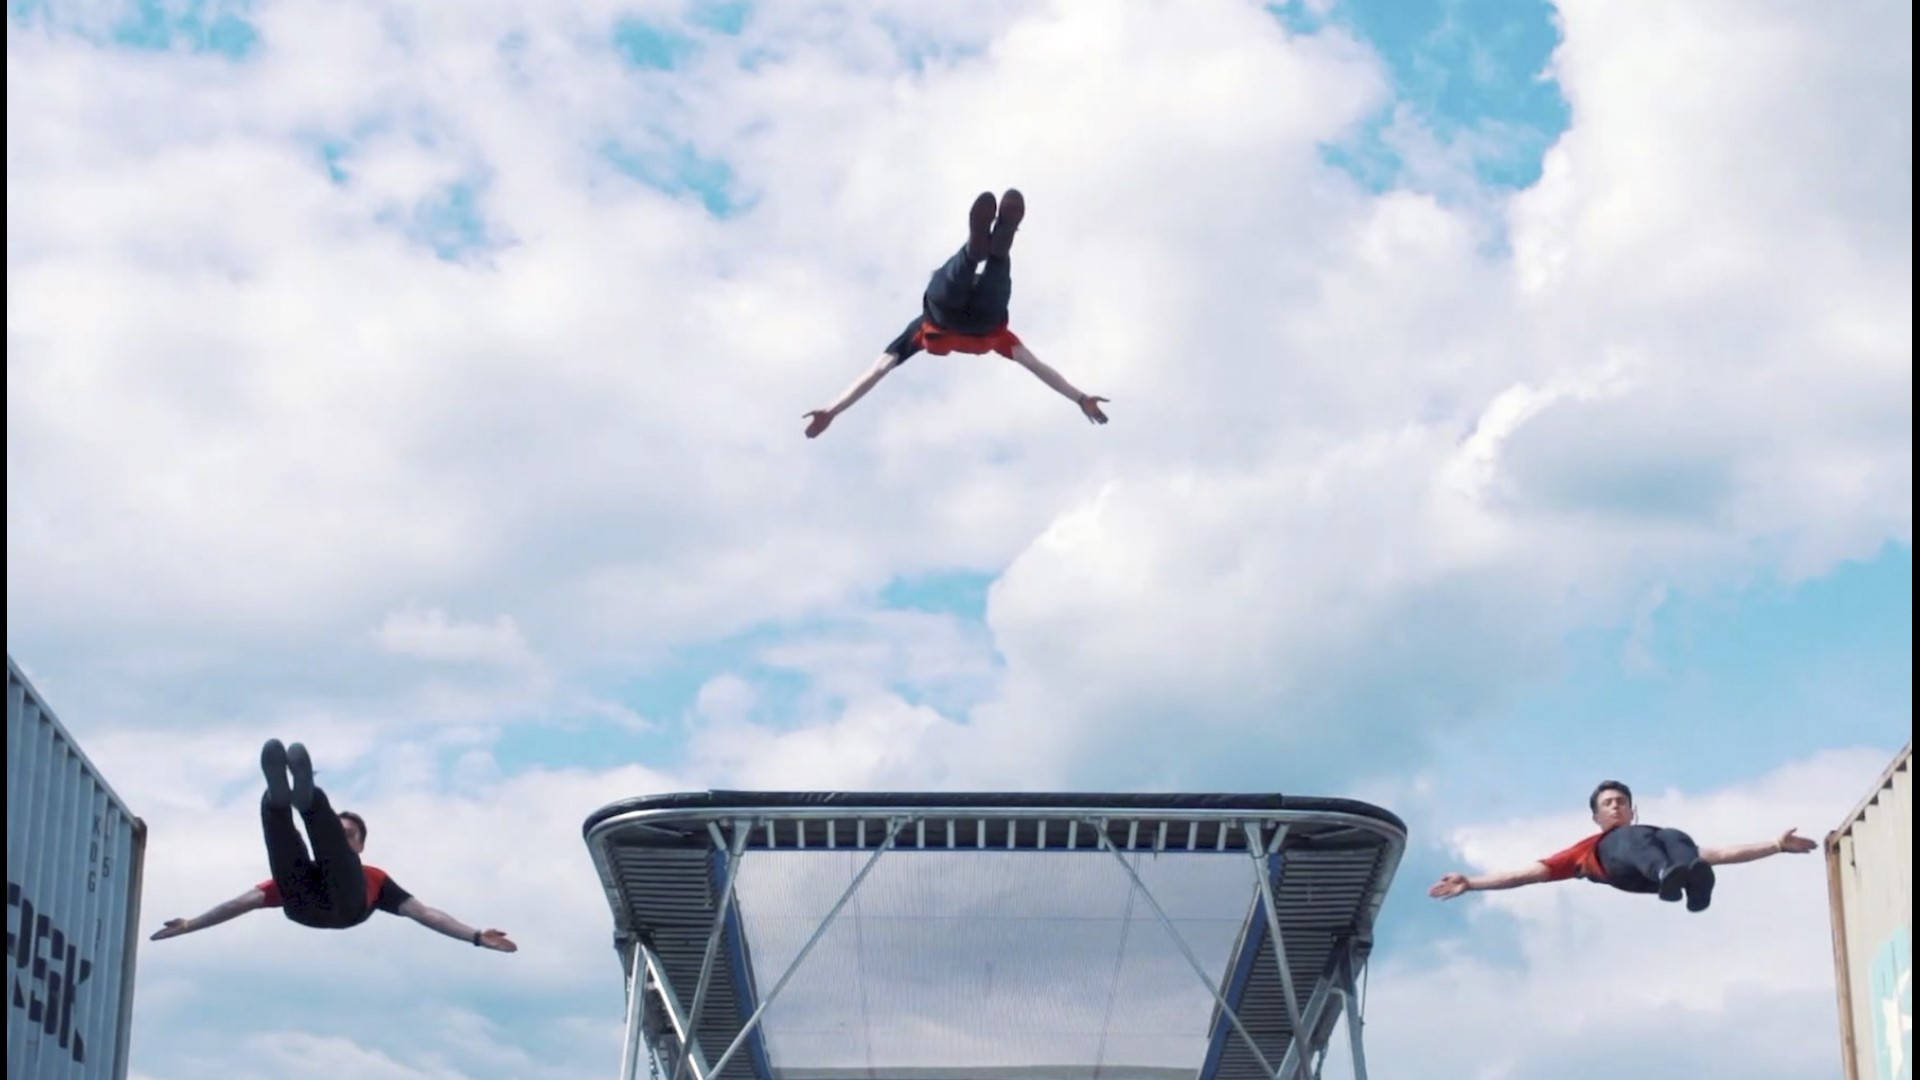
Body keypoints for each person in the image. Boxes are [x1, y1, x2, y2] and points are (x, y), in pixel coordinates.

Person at [150, 740, 518, 952]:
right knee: (286, 853)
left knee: (329, 853)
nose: (344, 836)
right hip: (304, 904)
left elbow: (425, 913)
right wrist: (191, 924)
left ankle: (310, 802)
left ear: (360, 847)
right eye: (339, 830)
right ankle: (276, 802)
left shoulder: (374, 879)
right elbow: (240, 903)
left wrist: (474, 936)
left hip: (346, 906)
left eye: (350, 834)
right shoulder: (305, 875)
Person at [803, 188, 1110, 438]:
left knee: (954, 286)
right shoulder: (1003, 340)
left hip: (947, 319)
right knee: (991, 282)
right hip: (984, 325)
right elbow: (1039, 368)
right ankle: (995, 250)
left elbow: (876, 372)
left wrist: (833, 410)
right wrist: (1080, 398)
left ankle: (976, 252)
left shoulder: (918, 331)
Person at [1428, 779, 1817, 912]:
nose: (1616, 806)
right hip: (1623, 870)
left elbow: (1720, 853)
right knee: (1631, 840)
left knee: (1677, 837)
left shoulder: (1655, 834)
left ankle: (1694, 888)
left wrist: (1775, 845)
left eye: (1621, 802)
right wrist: (1473, 882)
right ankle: (1669, 874)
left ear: (1632, 808)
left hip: (1663, 872)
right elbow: (1529, 873)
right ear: (1596, 817)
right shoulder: (1589, 847)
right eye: (1608, 804)